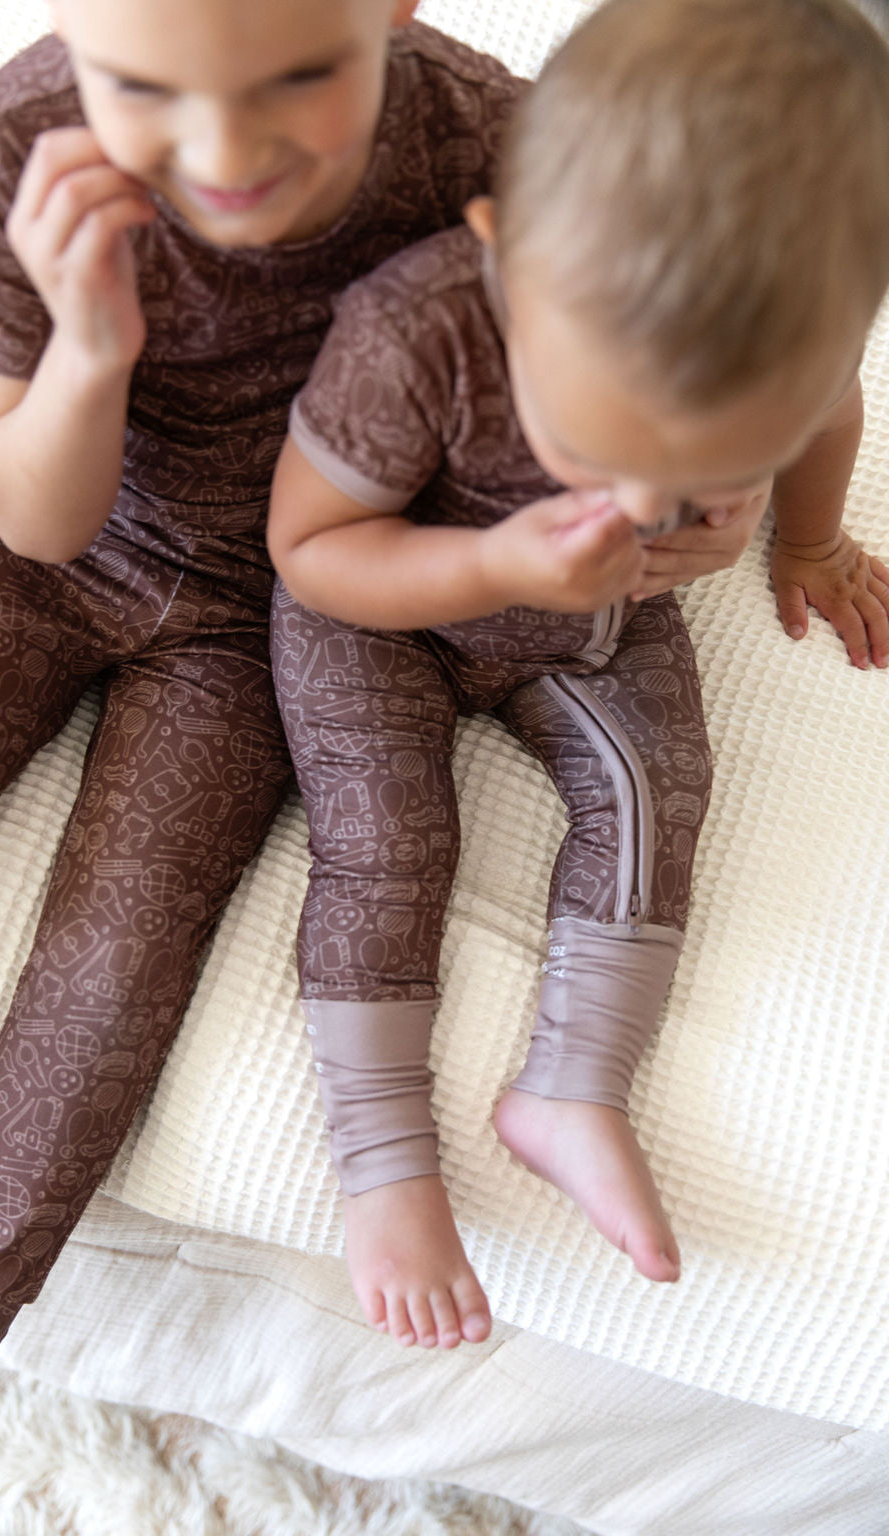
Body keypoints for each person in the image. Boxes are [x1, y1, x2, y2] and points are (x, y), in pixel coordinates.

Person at [0, 0, 535, 1524]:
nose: (225, 150)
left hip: (260, 611)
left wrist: (757, 507)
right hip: (41, 533)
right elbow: (29, 517)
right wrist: (91, 346)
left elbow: (701, 297)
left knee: (115, 965)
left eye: (301, 77)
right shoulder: (15, 141)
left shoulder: (483, 145)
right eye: (145, 87)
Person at [267, 0, 889, 1357]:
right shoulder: (418, 330)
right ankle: (382, 1155)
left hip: (603, 619)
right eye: (604, 448)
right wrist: (495, 564)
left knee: (662, 786)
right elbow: (310, 549)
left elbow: (830, 412)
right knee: (388, 838)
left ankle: (573, 1084)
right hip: (388, 609)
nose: (650, 497)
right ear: (509, 257)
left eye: (703, 465)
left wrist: (799, 533)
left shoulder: (792, 352)